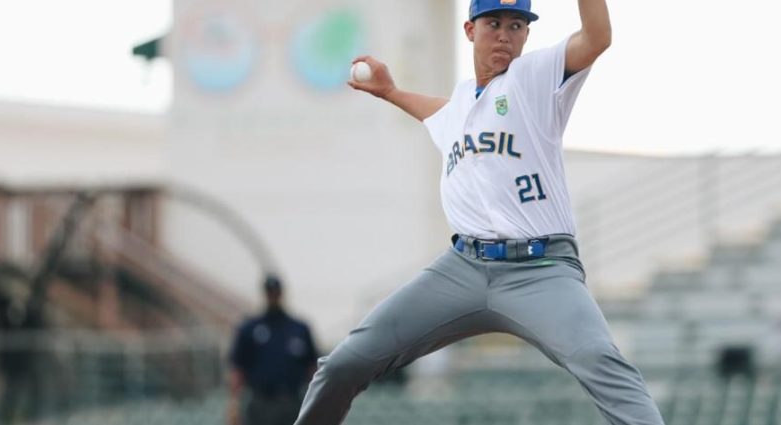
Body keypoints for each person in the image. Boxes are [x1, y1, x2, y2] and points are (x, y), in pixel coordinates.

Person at [294, 0, 666, 424]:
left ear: (527, 35)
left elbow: (597, 37)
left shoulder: (533, 78)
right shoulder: (458, 107)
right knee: (345, 362)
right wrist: (392, 92)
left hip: (541, 269)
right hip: (462, 269)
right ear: (470, 30)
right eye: (494, 23)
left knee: (601, 360)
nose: (505, 34)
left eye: (516, 25)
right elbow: (441, 113)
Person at [228, 276, 318, 425]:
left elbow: (312, 369)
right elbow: (238, 370)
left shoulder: (299, 329)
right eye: (270, 293)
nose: (273, 296)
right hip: (261, 402)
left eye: (275, 292)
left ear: (281, 294)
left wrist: (317, 401)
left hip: (291, 400)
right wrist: (233, 404)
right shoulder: (250, 329)